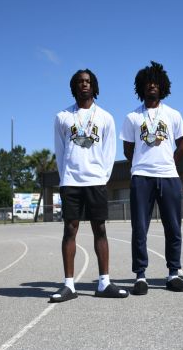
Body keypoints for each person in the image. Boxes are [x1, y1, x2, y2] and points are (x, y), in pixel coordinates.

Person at [50, 69, 128, 302]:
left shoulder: (105, 117)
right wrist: (66, 177)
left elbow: (109, 152)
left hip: (96, 181)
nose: (84, 85)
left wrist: (102, 177)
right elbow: (60, 151)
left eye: (88, 81)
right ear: (74, 87)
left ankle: (104, 283)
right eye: (80, 82)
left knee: (100, 229)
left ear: (94, 86)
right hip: (71, 181)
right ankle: (69, 285)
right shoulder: (62, 117)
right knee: (70, 230)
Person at [120, 61, 183, 295]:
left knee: (173, 227)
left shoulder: (173, 114)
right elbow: (127, 149)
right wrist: (142, 163)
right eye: (148, 82)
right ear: (141, 86)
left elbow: (182, 145)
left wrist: (168, 163)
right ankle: (140, 276)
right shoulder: (132, 117)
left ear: (162, 86)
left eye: (156, 82)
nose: (152, 85)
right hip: (141, 177)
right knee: (139, 228)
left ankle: (173, 273)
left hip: (169, 176)